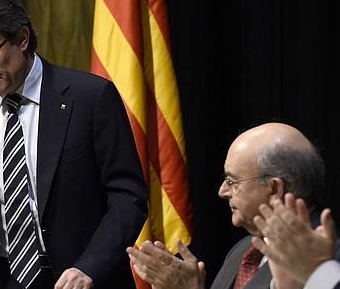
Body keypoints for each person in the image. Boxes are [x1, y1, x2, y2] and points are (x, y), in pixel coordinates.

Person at [0, 0, 147, 289]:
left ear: (22, 39)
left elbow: (128, 197)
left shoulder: (90, 98)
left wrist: (89, 268)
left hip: (80, 279)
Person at [127, 122, 326, 289]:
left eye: (232, 182)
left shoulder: (319, 260)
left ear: (274, 188)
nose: (222, 191)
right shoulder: (243, 250)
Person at [252, 192, 340, 289]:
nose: (231, 192)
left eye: (234, 182)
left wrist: (317, 270)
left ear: (274, 189)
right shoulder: (241, 249)